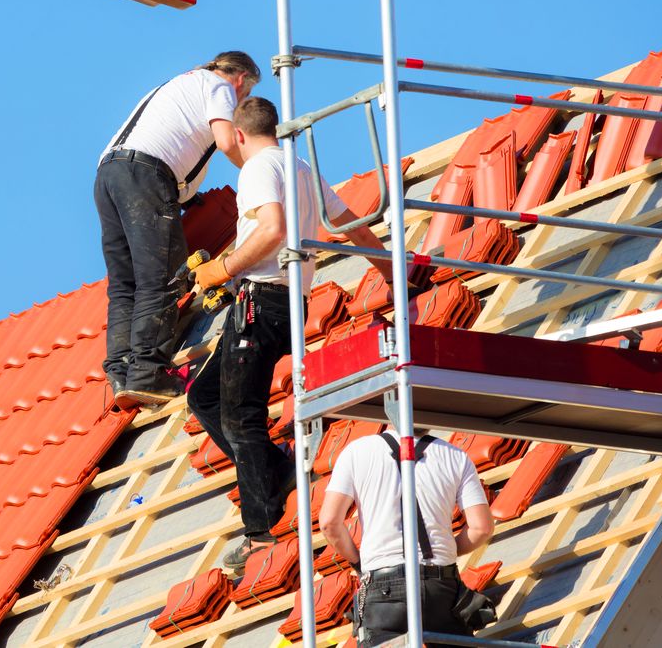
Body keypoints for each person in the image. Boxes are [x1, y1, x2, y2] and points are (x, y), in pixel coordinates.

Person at [187, 96, 394, 574]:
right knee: (204, 395)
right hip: (289, 304)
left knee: (241, 415)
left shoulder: (258, 167)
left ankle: (260, 531)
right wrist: (391, 272)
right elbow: (351, 227)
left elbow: (273, 229)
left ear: (239, 135)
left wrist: (222, 267)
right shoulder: (300, 167)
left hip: (261, 300)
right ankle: (273, 472)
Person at [96, 51, 260, 410]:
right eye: (245, 95)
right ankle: (148, 372)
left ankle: (121, 372)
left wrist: (183, 193)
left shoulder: (178, 84)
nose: (241, 103)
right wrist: (259, 169)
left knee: (126, 283)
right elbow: (226, 140)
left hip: (110, 175)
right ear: (240, 79)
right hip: (146, 174)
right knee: (162, 275)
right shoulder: (220, 86)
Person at [319, 428, 494, 646]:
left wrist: (358, 563)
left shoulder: (356, 451)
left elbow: (329, 523)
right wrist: (443, 549)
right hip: (441, 583)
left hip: (383, 583)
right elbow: (482, 528)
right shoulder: (455, 455)